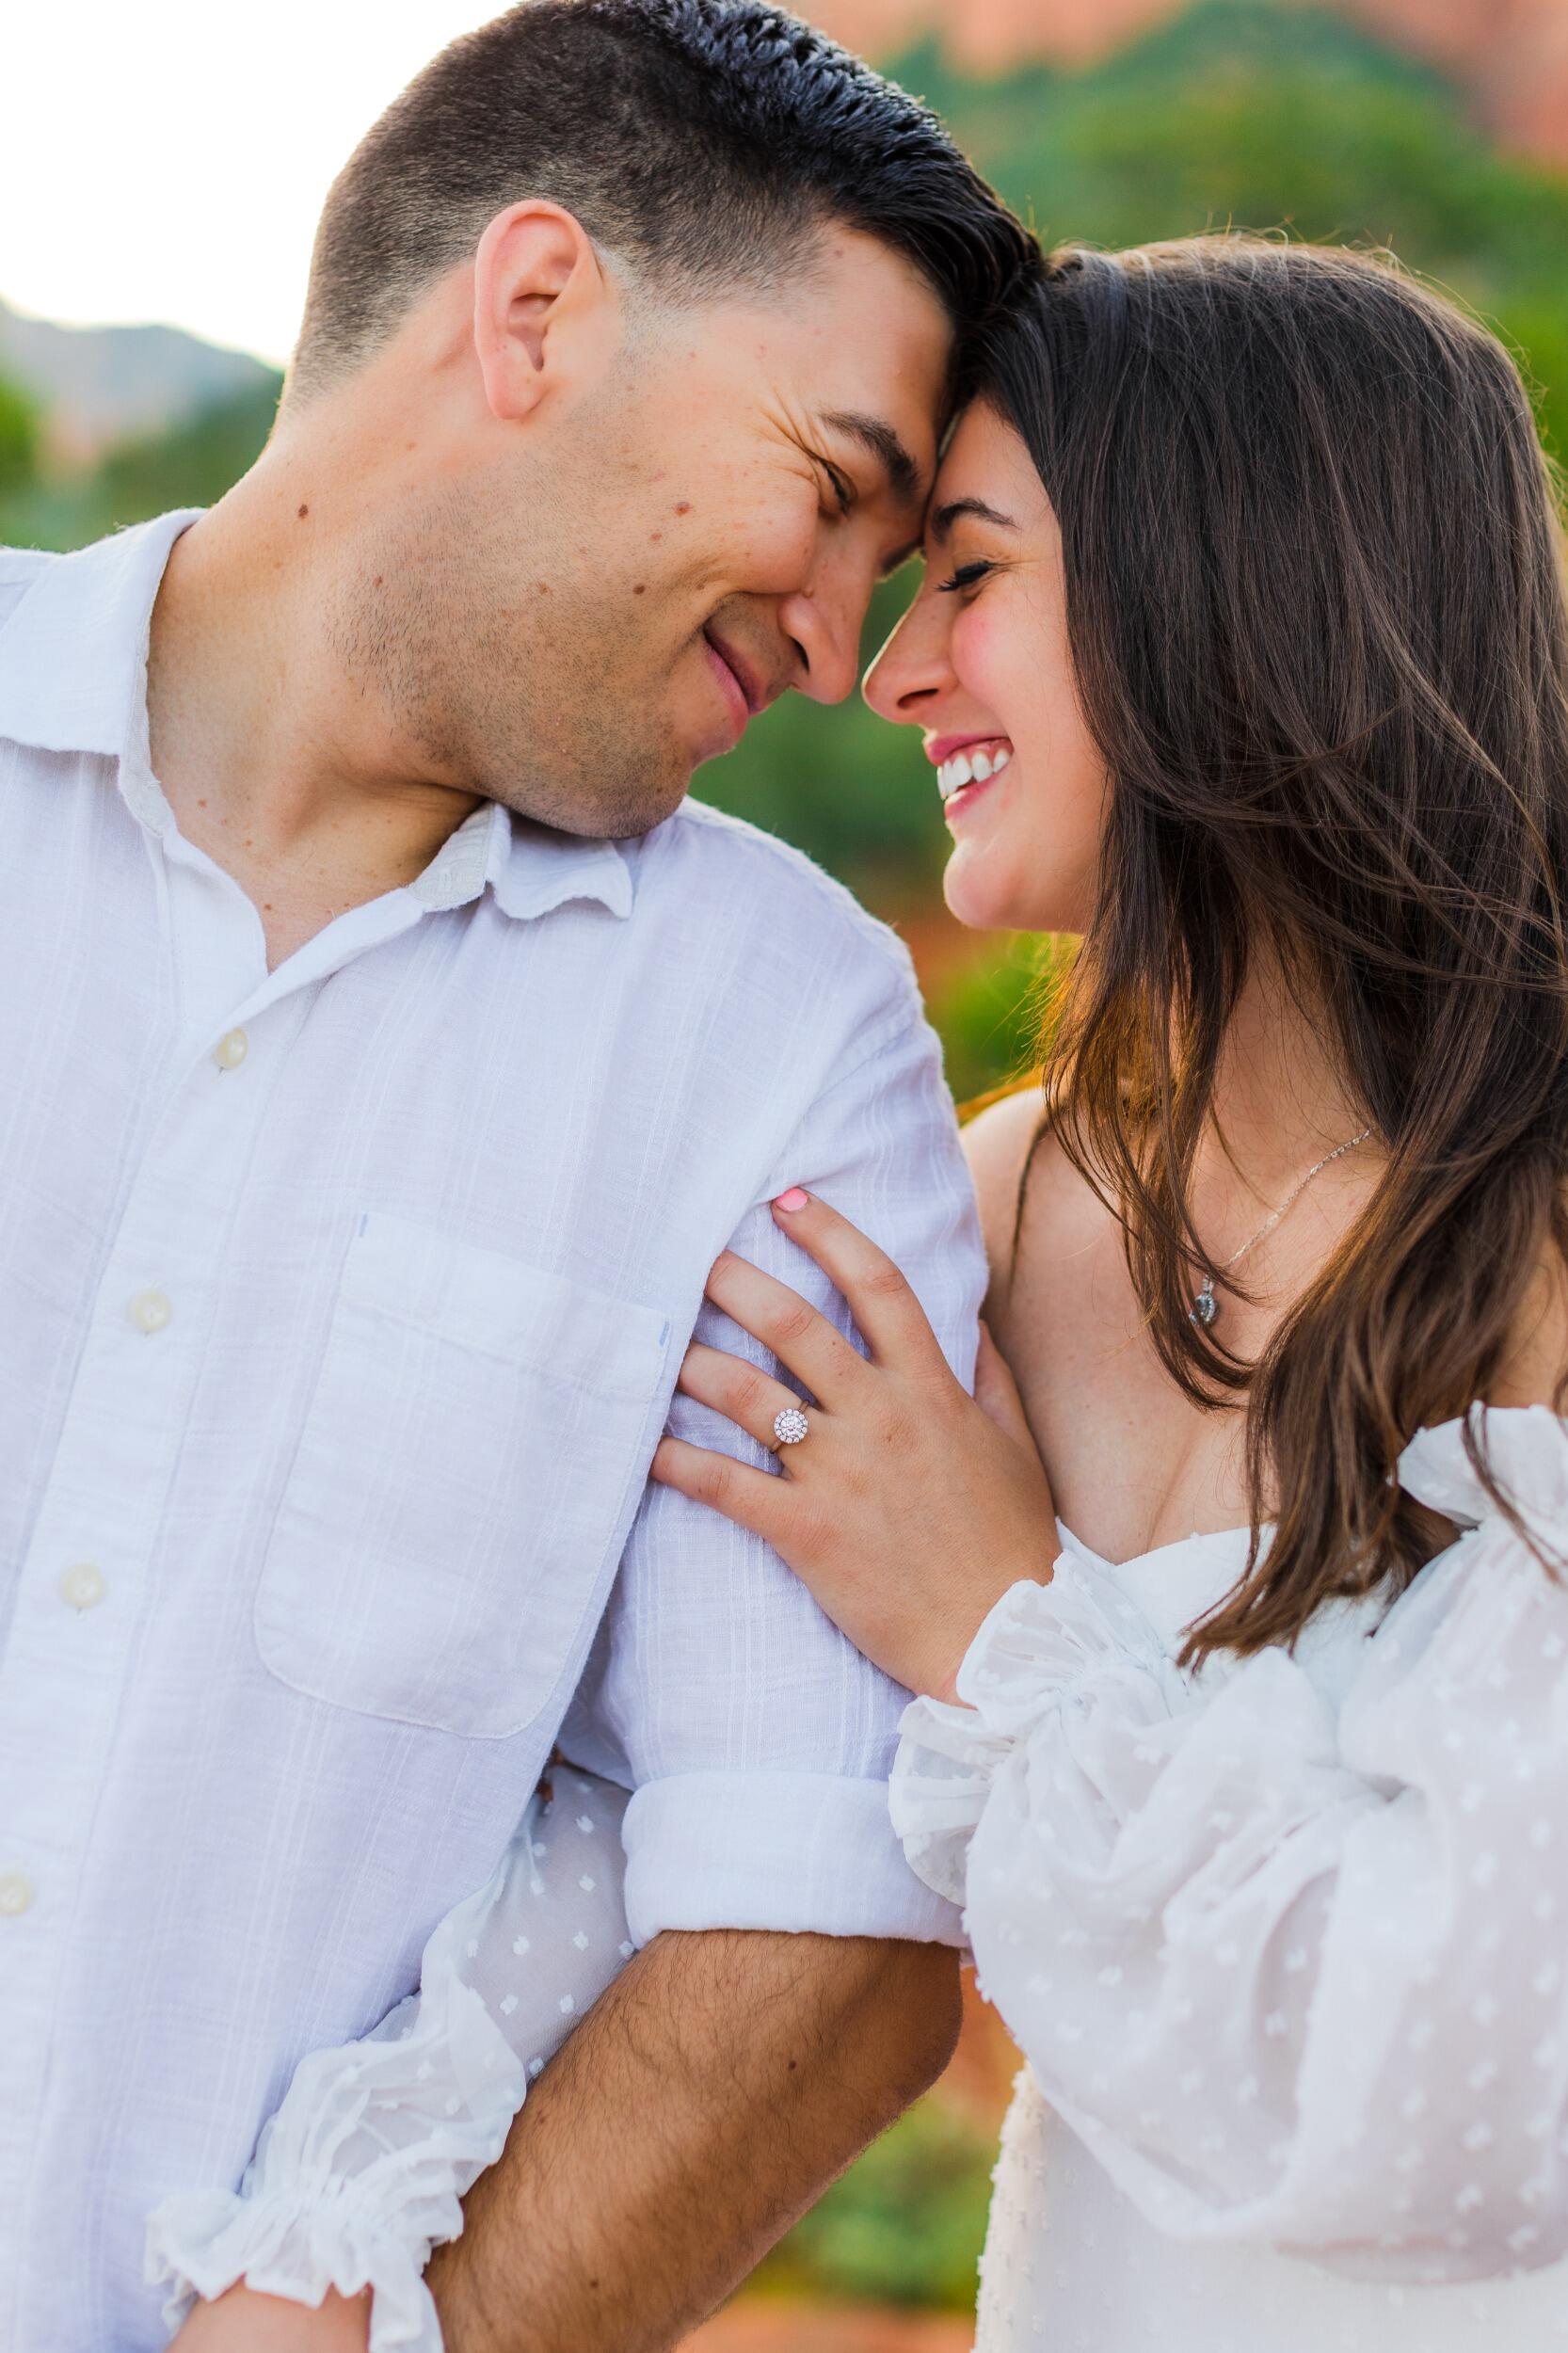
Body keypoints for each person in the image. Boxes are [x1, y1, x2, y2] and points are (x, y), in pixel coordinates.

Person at [0, 5, 1040, 2348]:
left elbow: (818, 1895)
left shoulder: (777, 1045)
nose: (830, 640)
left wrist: (422, 2320)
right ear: (539, 307)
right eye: (833, 483)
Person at [651, 238, 1568, 2346]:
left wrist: (996, 1633)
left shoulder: (1533, 1247)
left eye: (966, 573)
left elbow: (1472, 2087)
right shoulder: (973, 1206)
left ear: (1226, 586)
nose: (889, 669)